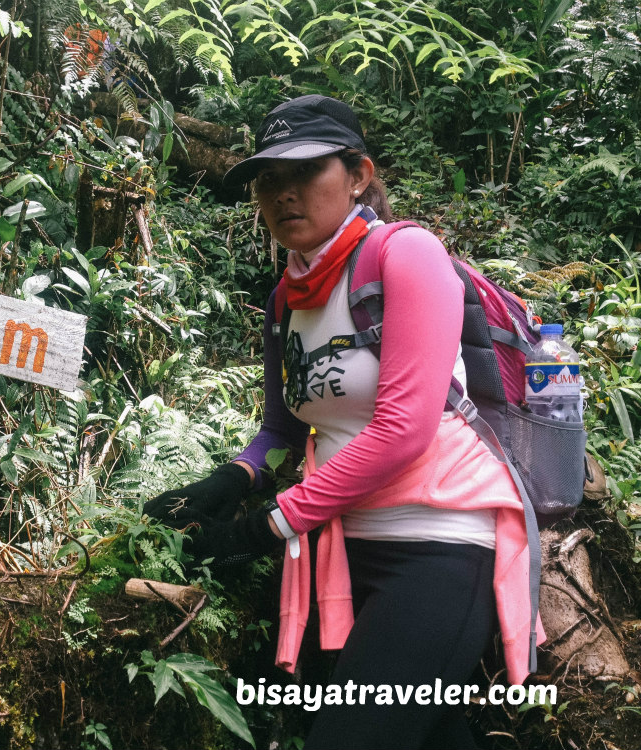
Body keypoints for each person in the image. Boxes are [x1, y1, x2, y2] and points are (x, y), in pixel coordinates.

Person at [143, 95, 542, 750]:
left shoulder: (405, 257)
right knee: (427, 732)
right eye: (267, 179)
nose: (282, 194)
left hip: (440, 544)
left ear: (358, 174)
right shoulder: (286, 296)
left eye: (304, 171)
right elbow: (280, 430)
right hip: (347, 548)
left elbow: (402, 430)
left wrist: (263, 525)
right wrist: (229, 481)